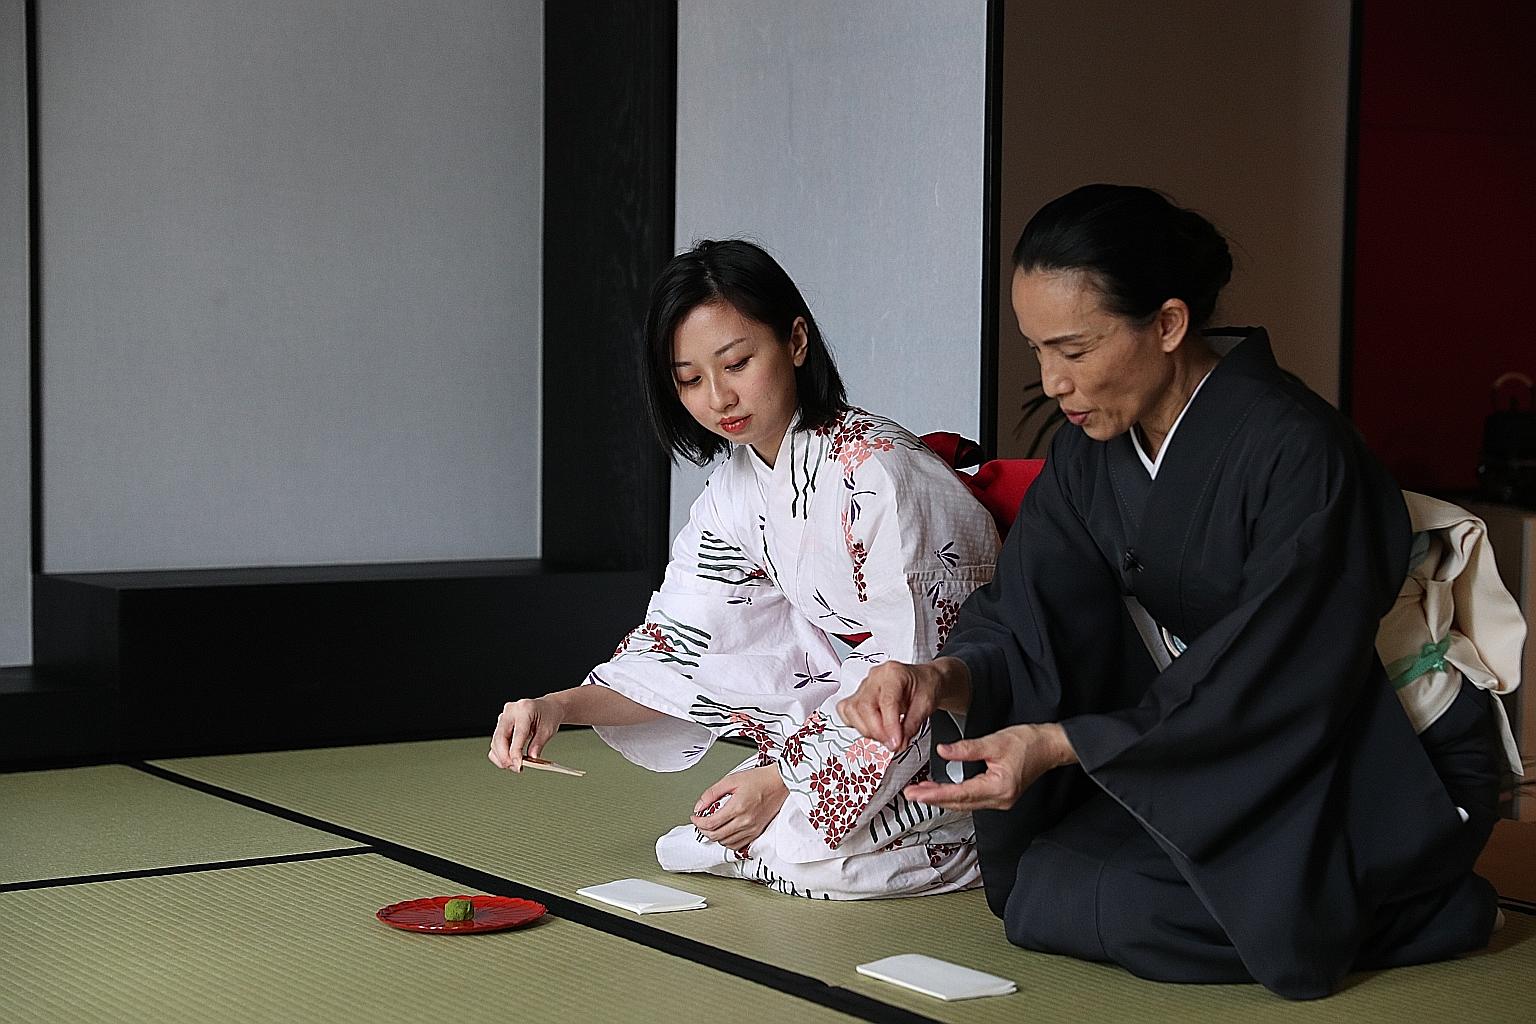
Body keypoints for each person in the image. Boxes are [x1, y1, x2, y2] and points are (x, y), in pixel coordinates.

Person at [838, 185, 1510, 996]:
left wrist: (1062, 744)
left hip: (1370, 752)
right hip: (1213, 742)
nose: (1052, 382)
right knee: (1038, 888)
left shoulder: (1300, 453)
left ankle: (1426, 903)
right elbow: (1030, 613)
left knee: (1135, 905)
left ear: (1167, 323)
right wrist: (941, 677)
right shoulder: (1092, 452)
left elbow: (1277, 667)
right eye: (1038, 350)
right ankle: (1341, 902)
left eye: (1075, 351)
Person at [488, 239, 1000, 899]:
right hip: (854, 721)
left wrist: (784, 778)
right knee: (726, 830)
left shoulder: (880, 476)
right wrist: (555, 706)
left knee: (816, 858)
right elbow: (678, 650)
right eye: (691, 379)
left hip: (956, 717)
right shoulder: (733, 494)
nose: (718, 397)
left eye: (736, 362)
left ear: (795, 340)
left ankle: (971, 830)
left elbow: (917, 673)